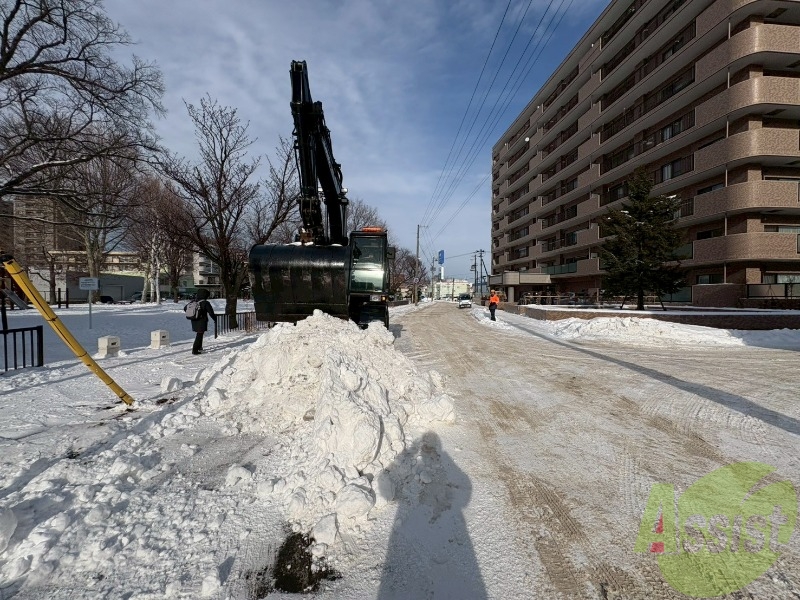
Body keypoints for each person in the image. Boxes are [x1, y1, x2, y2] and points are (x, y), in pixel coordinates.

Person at [188, 289, 216, 355]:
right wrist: (215, 319)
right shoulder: (205, 303)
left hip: (194, 320)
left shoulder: (194, 301)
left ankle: (199, 347)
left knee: (200, 334)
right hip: (201, 321)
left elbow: (185, 308)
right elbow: (211, 313)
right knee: (199, 335)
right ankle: (195, 350)